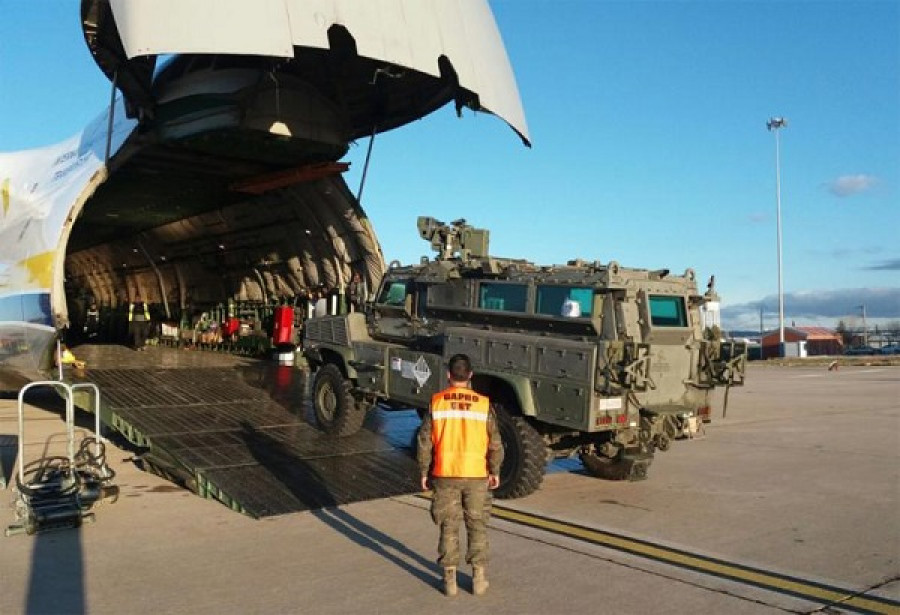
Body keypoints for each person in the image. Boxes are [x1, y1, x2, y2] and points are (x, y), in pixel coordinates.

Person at [417, 354, 504, 597]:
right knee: (477, 525)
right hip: (476, 474)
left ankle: (450, 581)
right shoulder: (483, 404)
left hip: (445, 473)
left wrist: (424, 471)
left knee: (448, 525)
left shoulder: (437, 403)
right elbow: (495, 443)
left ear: (448, 375)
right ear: (470, 375)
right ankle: (478, 578)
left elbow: (425, 441)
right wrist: (494, 471)